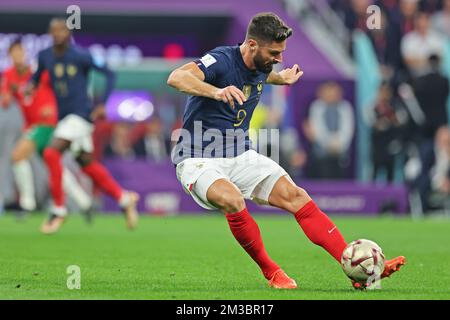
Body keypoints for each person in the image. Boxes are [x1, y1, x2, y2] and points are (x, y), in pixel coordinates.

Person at [168, 12, 405, 289]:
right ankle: (272, 273)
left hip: (239, 153)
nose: (279, 58)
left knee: (297, 197)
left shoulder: (262, 64)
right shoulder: (220, 60)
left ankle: (356, 267)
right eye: (274, 52)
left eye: (281, 52)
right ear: (252, 45)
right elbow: (176, 77)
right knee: (232, 200)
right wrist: (216, 92)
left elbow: (261, 76)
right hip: (198, 157)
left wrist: (280, 79)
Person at [30, 18, 139, 234]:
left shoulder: (82, 56)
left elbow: (110, 73)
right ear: (50, 33)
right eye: (54, 31)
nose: (59, 34)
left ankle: (59, 210)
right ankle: (123, 198)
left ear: (69, 32)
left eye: (63, 30)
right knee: (86, 163)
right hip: (64, 118)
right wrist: (28, 88)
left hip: (81, 115)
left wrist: (102, 104)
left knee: (51, 153)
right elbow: (36, 78)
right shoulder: (45, 56)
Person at [1, 40, 92, 214]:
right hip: (32, 126)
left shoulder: (38, 72)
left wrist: (55, 105)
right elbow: (6, 100)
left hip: (46, 123)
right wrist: (7, 95)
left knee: (18, 156)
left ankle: (27, 204)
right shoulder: (8, 75)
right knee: (54, 166)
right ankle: (84, 201)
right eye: (14, 53)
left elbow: (61, 87)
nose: (18, 56)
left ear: (25, 53)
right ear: (10, 55)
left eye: (20, 52)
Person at [303, 82, 355, 180]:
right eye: (328, 93)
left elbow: (348, 128)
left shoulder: (345, 107)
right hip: (321, 153)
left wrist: (339, 143)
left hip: (341, 151)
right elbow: (317, 129)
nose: (331, 96)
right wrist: (329, 143)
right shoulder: (316, 107)